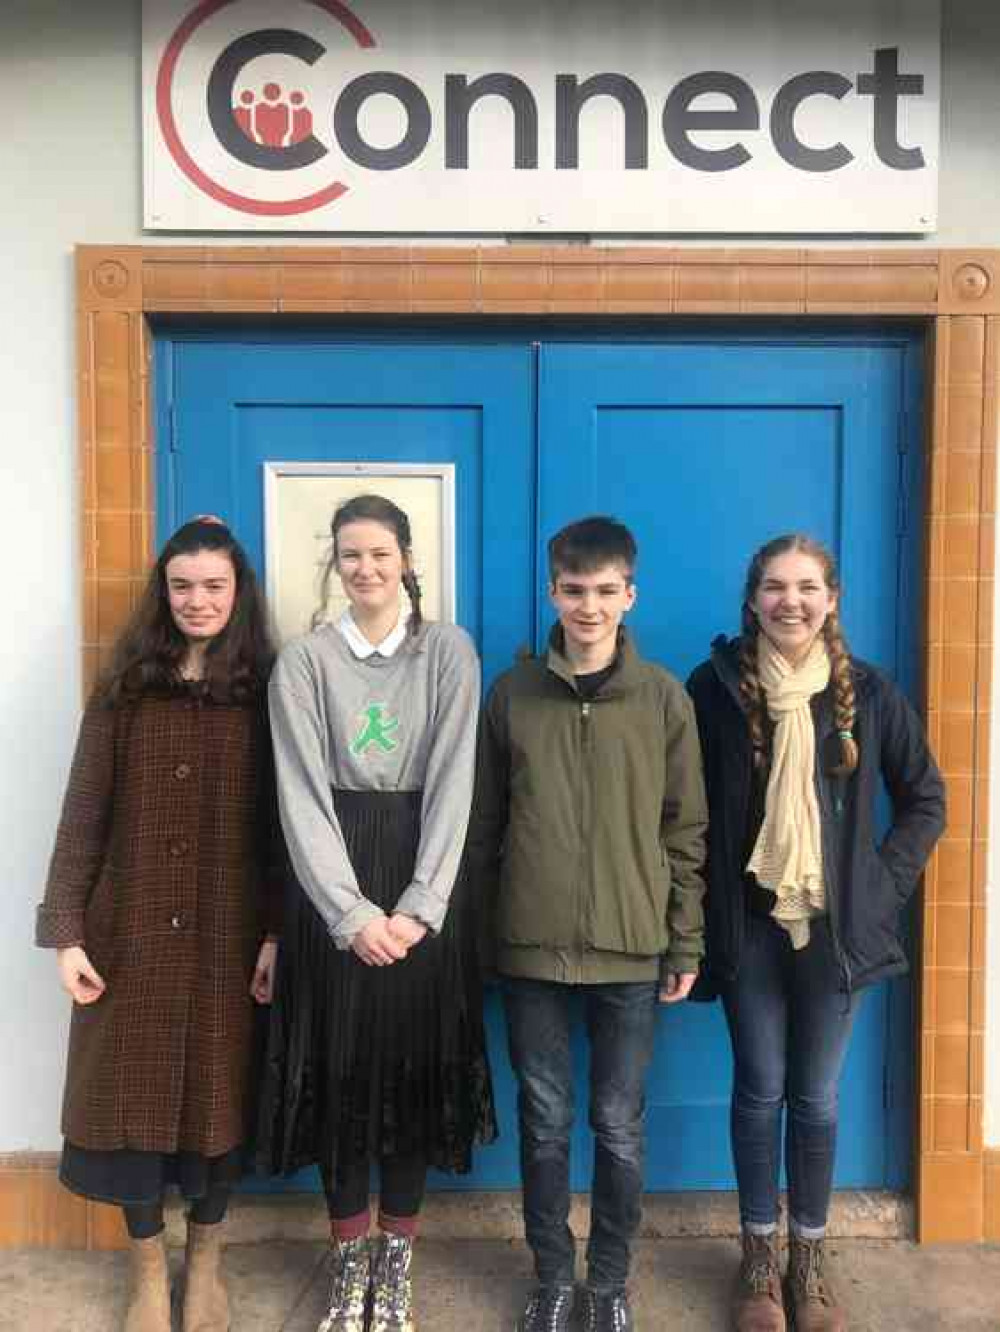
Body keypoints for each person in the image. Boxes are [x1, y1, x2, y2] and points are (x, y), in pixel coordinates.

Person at [686, 534, 946, 1332]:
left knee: (819, 1099)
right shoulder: (716, 688)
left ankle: (811, 1256)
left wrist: (875, 887)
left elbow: (925, 800)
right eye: (774, 586)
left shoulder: (868, 692)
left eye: (805, 587)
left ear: (831, 598)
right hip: (751, 926)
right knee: (760, 1092)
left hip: (836, 936)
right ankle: (758, 1258)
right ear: (752, 597)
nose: (789, 600)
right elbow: (686, 811)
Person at [36, 518, 282, 1332]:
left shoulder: (270, 689)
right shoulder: (126, 687)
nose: (197, 600)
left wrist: (278, 933)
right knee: (127, 1113)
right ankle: (147, 1270)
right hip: (129, 933)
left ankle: (206, 1262)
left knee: (219, 1102)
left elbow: (288, 827)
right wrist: (66, 931)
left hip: (229, 935)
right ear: (162, 592)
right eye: (182, 586)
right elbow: (82, 814)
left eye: (214, 585)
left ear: (238, 592)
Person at [258, 493, 496, 1332]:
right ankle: (349, 1261)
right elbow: (300, 796)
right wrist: (351, 914)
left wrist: (420, 907)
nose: (366, 569)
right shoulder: (304, 663)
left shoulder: (449, 654)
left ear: (407, 562)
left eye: (381, 554)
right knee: (344, 1075)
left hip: (422, 880)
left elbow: (457, 782)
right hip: (335, 887)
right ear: (335, 563)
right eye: (350, 555)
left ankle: (396, 1268)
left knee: (410, 1076)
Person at [469, 516, 708, 1332]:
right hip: (531, 945)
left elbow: (685, 829)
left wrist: (684, 937)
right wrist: (480, 937)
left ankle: (607, 1283)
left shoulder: (664, 698)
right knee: (543, 1121)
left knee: (616, 1123)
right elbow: (484, 826)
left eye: (607, 591)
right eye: (575, 590)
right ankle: (552, 1279)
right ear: (552, 592)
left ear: (630, 594)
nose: (590, 606)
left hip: (632, 948)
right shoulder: (513, 694)